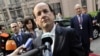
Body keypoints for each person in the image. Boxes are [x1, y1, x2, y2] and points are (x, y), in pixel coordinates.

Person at [8, 2, 85, 56]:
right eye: (39, 14)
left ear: (53, 14)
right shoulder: (36, 42)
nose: (43, 15)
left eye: (45, 11)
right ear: (36, 21)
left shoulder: (69, 33)